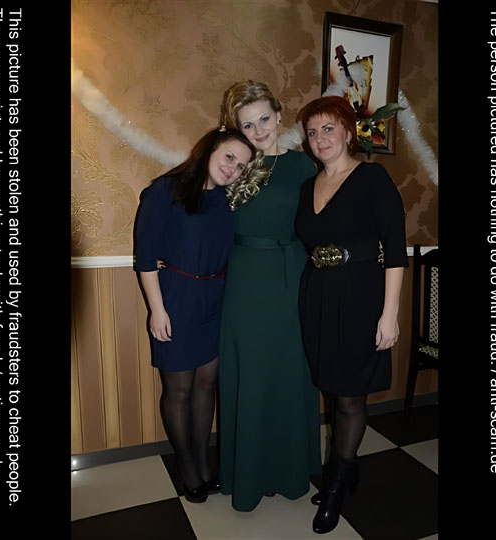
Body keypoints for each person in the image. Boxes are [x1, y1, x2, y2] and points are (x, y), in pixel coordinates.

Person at [295, 96, 408, 534]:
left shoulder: (372, 178)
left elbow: (395, 250)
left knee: (348, 396)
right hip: (318, 297)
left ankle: (336, 484)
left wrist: (389, 315)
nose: (320, 138)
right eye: (312, 132)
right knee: (330, 387)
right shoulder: (308, 186)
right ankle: (347, 467)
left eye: (328, 128)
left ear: (347, 131)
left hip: (361, 297)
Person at [134, 128, 257, 503]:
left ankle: (204, 460)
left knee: (207, 384)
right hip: (176, 300)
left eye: (242, 166)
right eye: (230, 157)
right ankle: (186, 464)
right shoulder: (165, 191)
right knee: (179, 389)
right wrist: (157, 310)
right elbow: (145, 257)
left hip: (216, 299)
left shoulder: (228, 200)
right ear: (210, 148)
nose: (234, 168)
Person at [217, 80, 322, 512]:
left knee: (289, 373)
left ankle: (289, 470)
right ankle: (249, 475)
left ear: (279, 115)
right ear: (236, 128)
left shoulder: (304, 165)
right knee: (252, 373)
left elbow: (323, 220)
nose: (259, 130)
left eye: (264, 119)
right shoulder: (234, 164)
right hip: (244, 279)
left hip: (292, 274)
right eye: (248, 124)